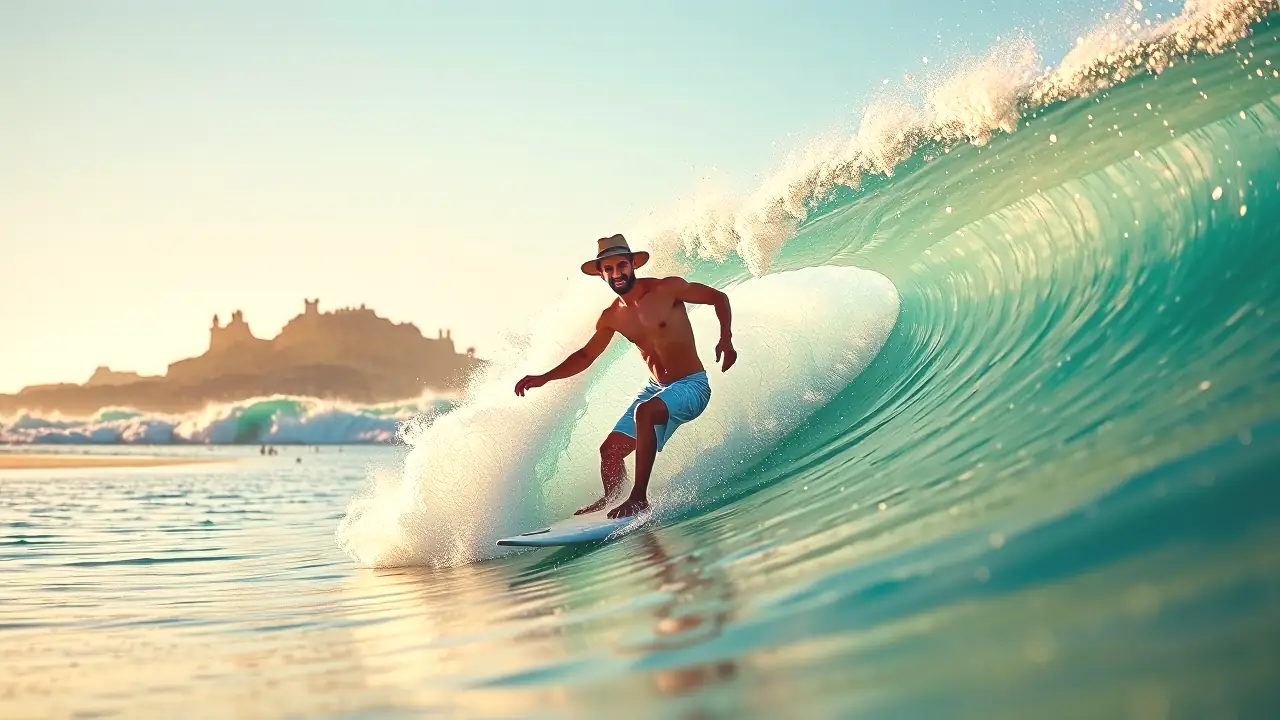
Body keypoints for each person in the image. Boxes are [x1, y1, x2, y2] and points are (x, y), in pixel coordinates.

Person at [514, 234, 737, 518]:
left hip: (692, 385)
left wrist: (726, 339)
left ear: (634, 265)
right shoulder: (612, 316)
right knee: (610, 451)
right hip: (657, 388)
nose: (617, 274)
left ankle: (638, 498)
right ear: (601, 274)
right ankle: (612, 498)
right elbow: (585, 356)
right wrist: (545, 377)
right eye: (609, 269)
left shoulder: (666, 289)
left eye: (622, 265)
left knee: (645, 412)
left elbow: (718, 298)